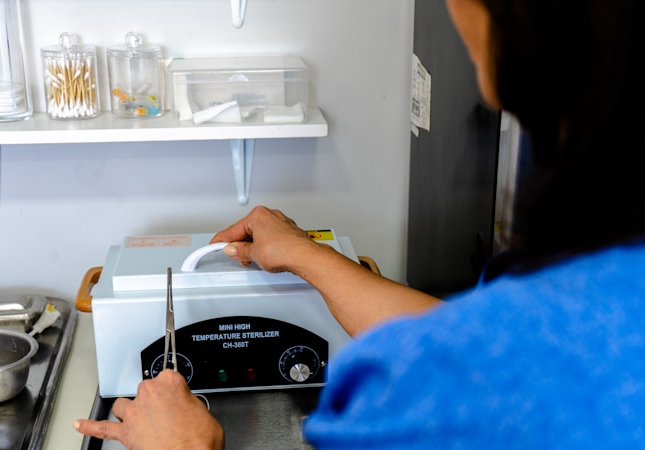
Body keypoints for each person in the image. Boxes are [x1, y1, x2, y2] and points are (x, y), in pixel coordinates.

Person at [74, 0, 645, 447]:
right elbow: (479, 340)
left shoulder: (430, 397)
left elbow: (479, 360)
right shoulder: (587, 307)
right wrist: (304, 253)